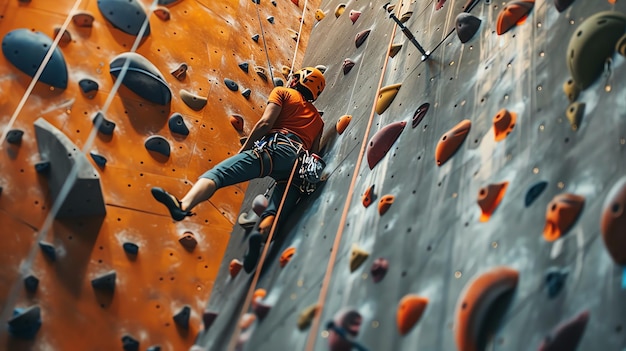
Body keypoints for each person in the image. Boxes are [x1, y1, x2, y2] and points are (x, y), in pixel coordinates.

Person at [151, 66, 326, 271]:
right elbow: (315, 154)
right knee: (275, 212)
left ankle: (183, 205)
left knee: (219, 174)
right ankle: (259, 237)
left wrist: (245, 149)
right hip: (297, 166)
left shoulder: (283, 92)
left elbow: (265, 123)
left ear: (296, 81)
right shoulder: (319, 122)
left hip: (274, 150)